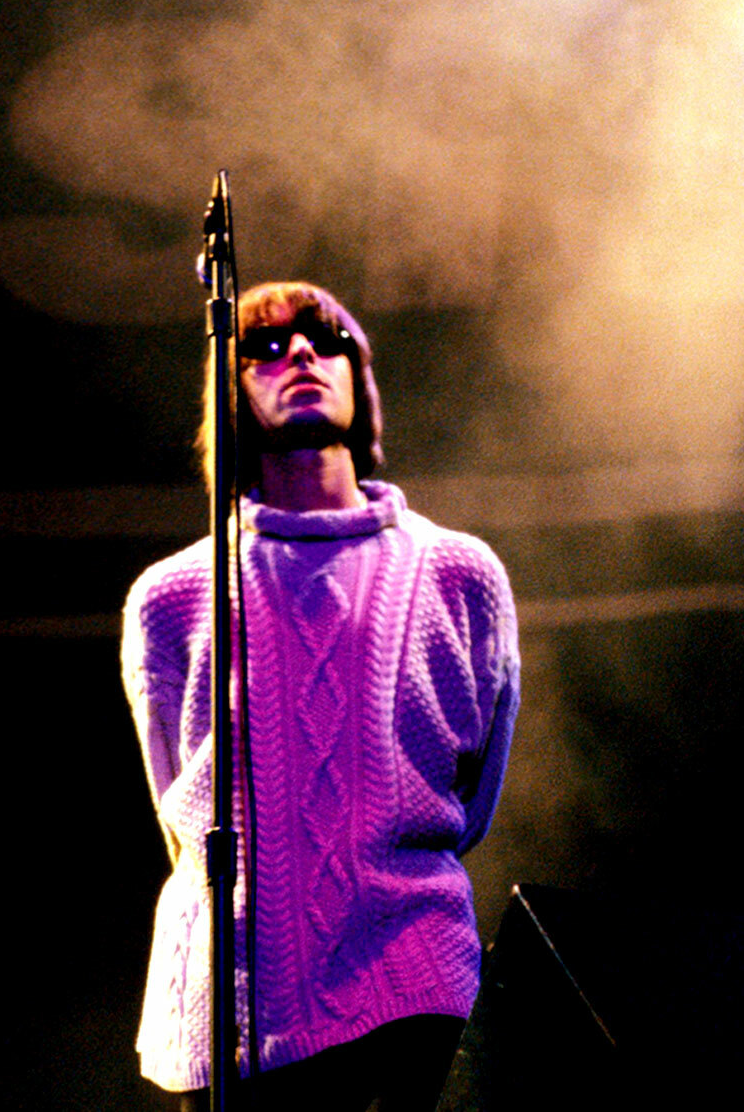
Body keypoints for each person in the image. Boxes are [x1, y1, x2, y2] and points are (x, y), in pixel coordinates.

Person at [121, 280, 520, 1111]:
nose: (298, 355)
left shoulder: (461, 574)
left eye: (323, 338)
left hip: (415, 981)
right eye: (263, 348)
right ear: (229, 392)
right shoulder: (173, 596)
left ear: (358, 376)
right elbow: (178, 810)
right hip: (236, 1005)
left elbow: (472, 797)